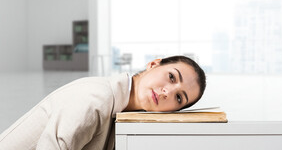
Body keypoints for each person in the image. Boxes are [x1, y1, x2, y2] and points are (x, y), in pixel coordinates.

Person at [0, 55, 206, 150]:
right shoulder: (97, 98)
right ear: (153, 64)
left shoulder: (123, 112)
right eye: (171, 77)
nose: (166, 92)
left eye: (179, 98)